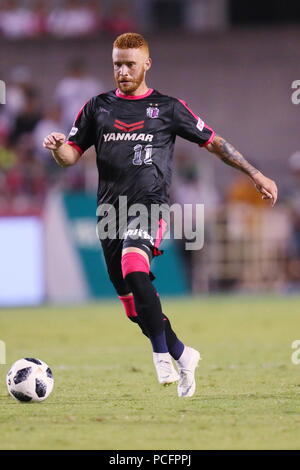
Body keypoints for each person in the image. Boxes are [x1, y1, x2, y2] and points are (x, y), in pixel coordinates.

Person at [43, 33, 278, 397]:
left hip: (149, 207)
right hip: (109, 213)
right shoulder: (96, 107)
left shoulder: (168, 108)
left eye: (130, 64)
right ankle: (183, 354)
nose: (122, 71)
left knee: (134, 267)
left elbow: (214, 143)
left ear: (146, 64)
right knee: (134, 308)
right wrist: (59, 148)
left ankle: (161, 356)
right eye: (117, 64)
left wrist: (255, 173)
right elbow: (71, 155)